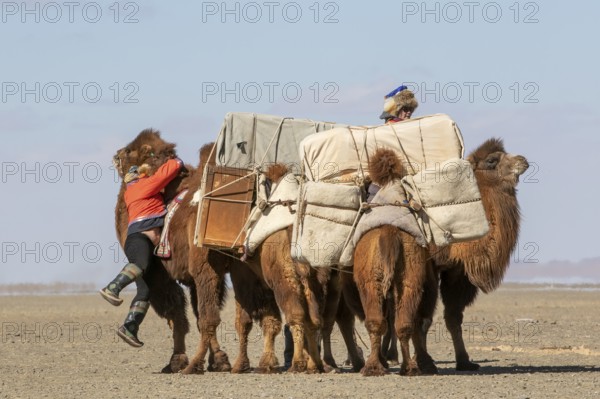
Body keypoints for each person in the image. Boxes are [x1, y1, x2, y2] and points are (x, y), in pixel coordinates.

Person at [99, 156, 183, 348]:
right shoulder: (141, 186)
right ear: (139, 177)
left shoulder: (136, 190)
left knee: (145, 290)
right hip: (139, 240)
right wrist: (174, 160)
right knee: (141, 264)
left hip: (144, 242)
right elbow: (172, 168)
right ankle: (112, 288)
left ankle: (129, 327)